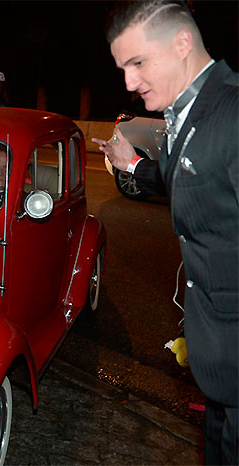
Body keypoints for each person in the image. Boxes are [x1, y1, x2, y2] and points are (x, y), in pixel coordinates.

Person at [91, 1, 237, 463]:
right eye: (123, 68)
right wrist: (132, 164)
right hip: (218, 361)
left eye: (138, 63)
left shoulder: (233, 113)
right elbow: (189, 175)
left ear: (181, 44)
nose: (130, 82)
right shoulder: (188, 111)